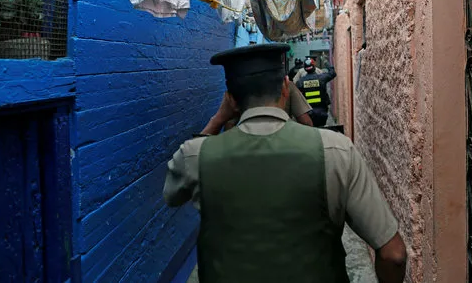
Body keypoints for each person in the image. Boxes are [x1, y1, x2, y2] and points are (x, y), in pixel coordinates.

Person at [163, 44, 407, 283]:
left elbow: (172, 195)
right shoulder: (337, 150)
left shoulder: (195, 156)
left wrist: (217, 120)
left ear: (231, 100)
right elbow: (393, 254)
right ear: (285, 88)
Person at [295, 57, 336, 127]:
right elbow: (333, 73)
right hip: (322, 112)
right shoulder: (321, 78)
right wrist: (325, 61)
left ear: (305, 68)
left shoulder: (300, 82)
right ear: (314, 67)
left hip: (308, 113)